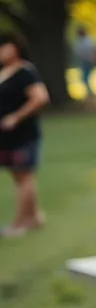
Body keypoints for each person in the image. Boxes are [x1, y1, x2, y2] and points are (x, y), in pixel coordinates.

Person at [0, 32, 50, 237]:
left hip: (24, 134)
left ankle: (19, 224)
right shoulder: (4, 72)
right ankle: (35, 217)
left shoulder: (25, 72)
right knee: (19, 177)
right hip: (7, 137)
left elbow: (40, 98)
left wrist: (16, 117)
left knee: (25, 176)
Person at [73, 25, 96, 103]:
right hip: (86, 61)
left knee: (85, 79)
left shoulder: (85, 41)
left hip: (87, 61)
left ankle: (91, 95)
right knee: (84, 79)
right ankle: (89, 95)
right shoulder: (87, 41)